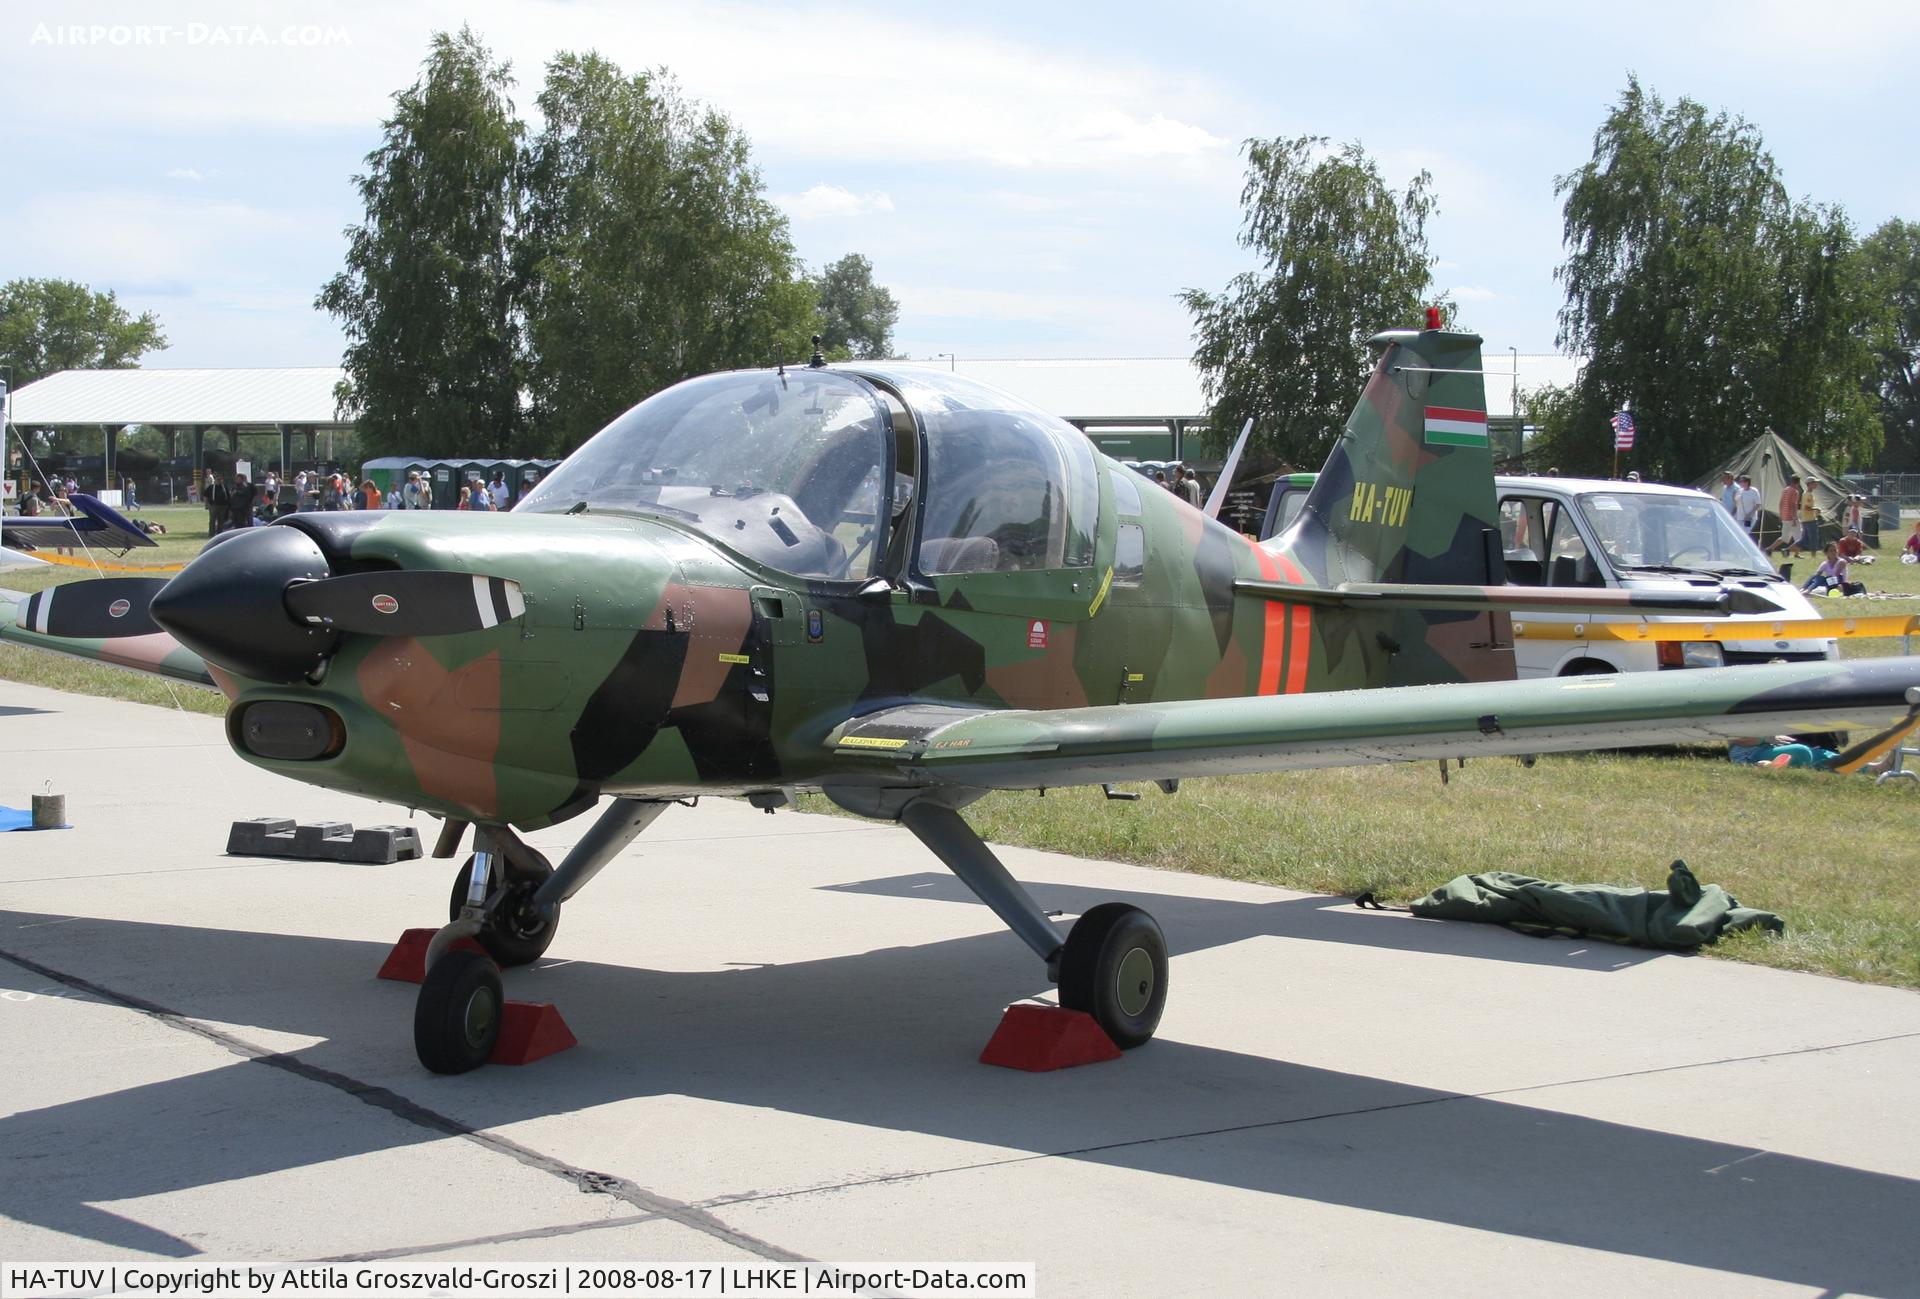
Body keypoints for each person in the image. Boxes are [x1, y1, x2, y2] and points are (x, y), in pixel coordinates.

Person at [1775, 476, 1802, 556]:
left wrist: (1780, 514)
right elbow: (1793, 505)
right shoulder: (1795, 492)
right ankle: (1793, 552)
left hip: (1785, 516)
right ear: (1798, 482)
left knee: (1785, 537)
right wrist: (1794, 518)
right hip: (1791, 517)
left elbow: (1781, 502)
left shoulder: (1785, 490)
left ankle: (1770, 549)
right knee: (1799, 536)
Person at [1798, 483, 1821, 556]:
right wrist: (1816, 509)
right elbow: (1806, 508)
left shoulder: (1805, 493)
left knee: (1804, 539)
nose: (1816, 485)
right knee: (1813, 538)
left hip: (1805, 519)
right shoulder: (1808, 495)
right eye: (1815, 483)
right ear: (1810, 484)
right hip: (1809, 519)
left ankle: (1787, 550)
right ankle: (1813, 555)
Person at [204, 471, 230, 536]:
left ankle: (220, 533)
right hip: (213, 505)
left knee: (221, 521)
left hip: (223, 506)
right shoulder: (211, 487)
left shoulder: (224, 487)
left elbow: (228, 496)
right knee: (212, 520)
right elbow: (205, 496)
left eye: (220, 479)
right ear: (215, 480)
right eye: (218, 479)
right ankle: (211, 533)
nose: (219, 481)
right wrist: (206, 504)